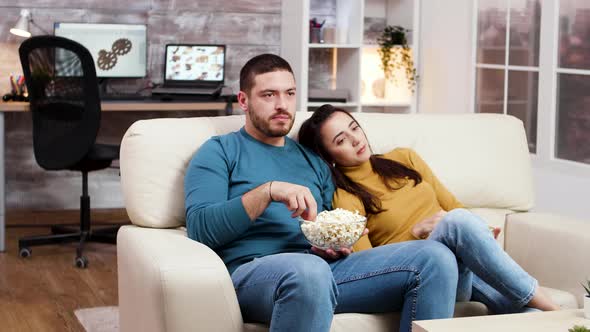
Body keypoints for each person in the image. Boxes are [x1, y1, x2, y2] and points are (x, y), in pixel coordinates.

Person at [184, 54, 460, 332]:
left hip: (323, 272)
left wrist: (334, 245)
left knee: (435, 258)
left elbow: (325, 228)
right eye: (269, 95)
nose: (282, 105)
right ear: (243, 101)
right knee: (308, 270)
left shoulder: (313, 161)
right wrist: (268, 191)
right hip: (253, 273)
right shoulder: (219, 151)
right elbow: (201, 229)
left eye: (289, 93)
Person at [298, 104, 560, 315]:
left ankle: (548, 317)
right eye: (341, 140)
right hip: (433, 275)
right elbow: (373, 267)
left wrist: (479, 232)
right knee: (455, 223)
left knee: (528, 317)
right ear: (329, 156)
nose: (356, 139)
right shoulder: (347, 197)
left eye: (354, 128)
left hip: (465, 259)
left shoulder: (404, 158)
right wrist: (419, 231)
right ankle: (556, 310)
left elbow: (454, 206)